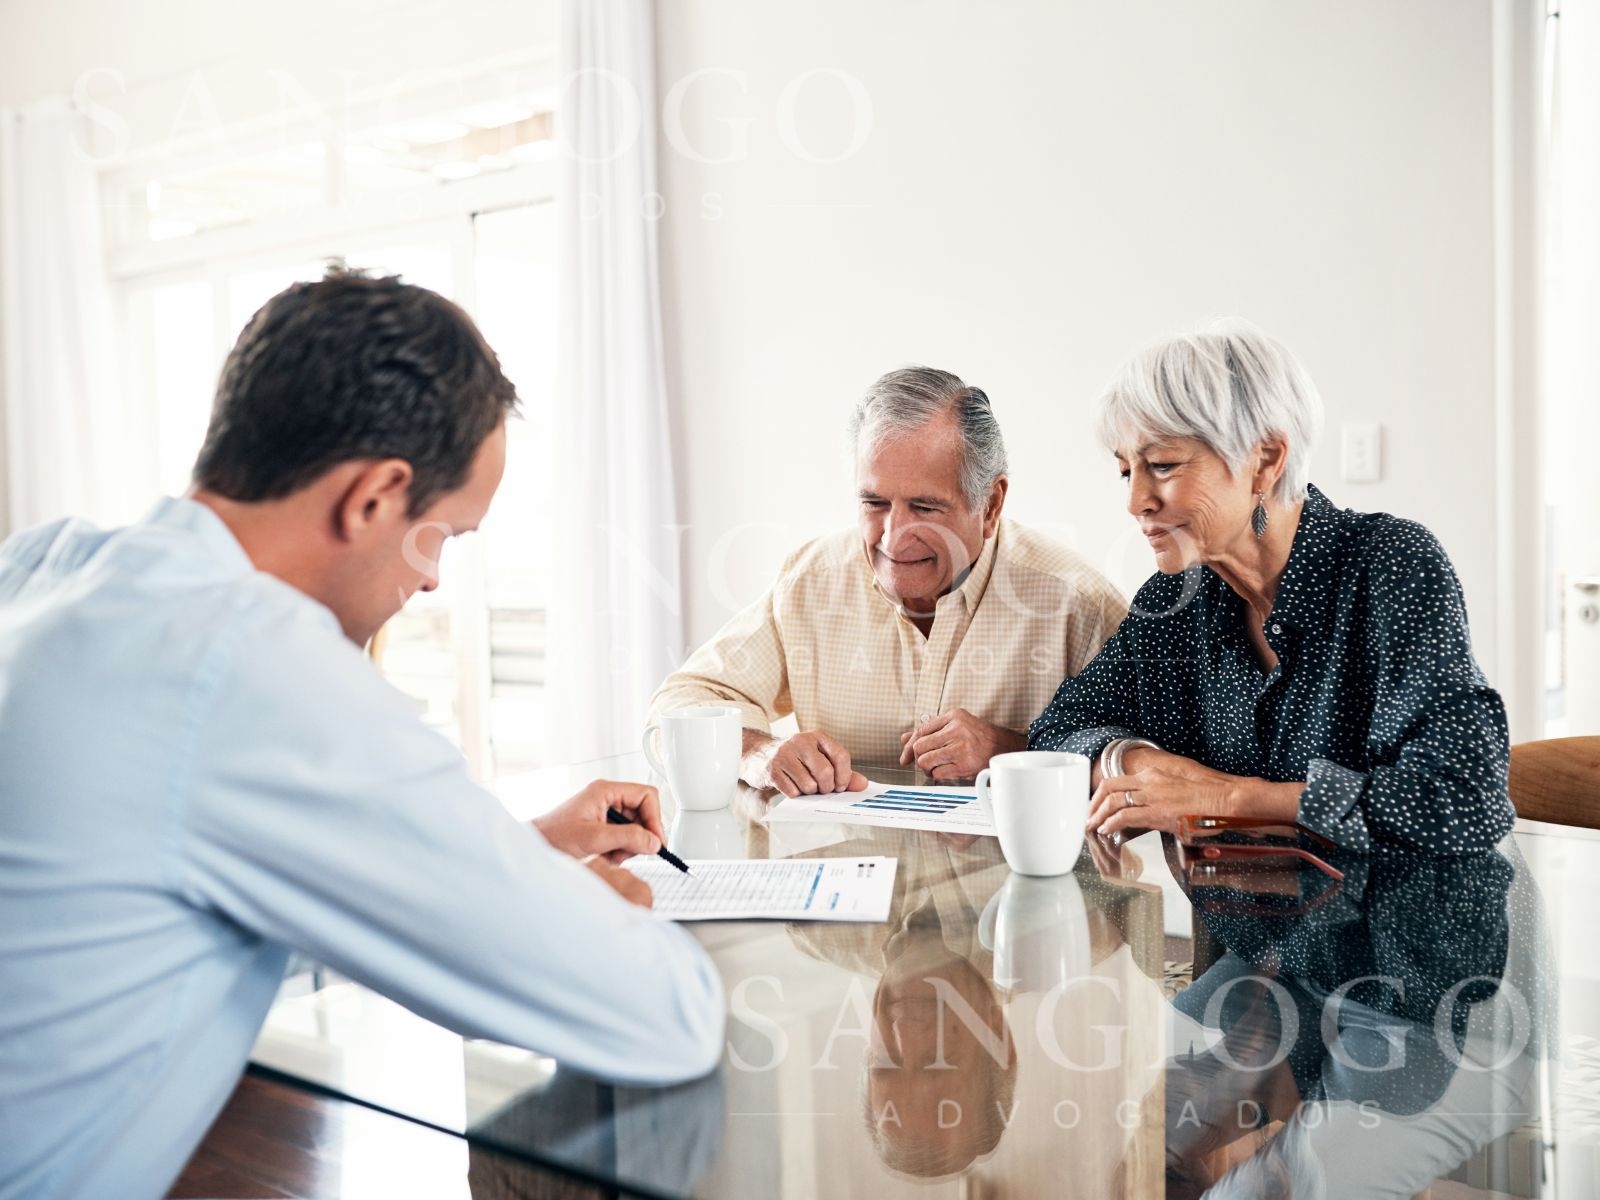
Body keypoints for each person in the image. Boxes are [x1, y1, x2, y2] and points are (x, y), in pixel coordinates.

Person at [0, 269, 724, 1200]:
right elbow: (663, 1015)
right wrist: (579, 914)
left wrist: (517, 851)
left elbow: (174, 888)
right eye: (446, 536)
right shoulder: (252, 662)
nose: (431, 582)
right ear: (376, 495)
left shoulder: (47, 566)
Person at [1028, 324, 1517, 853]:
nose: (1136, 501)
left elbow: (1467, 798)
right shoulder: (1173, 601)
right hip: (1233, 907)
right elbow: (1057, 731)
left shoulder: (1391, 564)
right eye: (1127, 471)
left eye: (1163, 465)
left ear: (1265, 460)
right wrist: (1141, 765)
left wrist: (1231, 799)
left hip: (1393, 907)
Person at [649, 367, 1127, 797]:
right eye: (874, 503)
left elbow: (1147, 761)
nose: (893, 536)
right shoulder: (812, 581)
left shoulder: (1078, 603)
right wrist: (759, 751)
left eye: (924, 507)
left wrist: (1013, 751)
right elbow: (679, 704)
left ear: (991, 505)